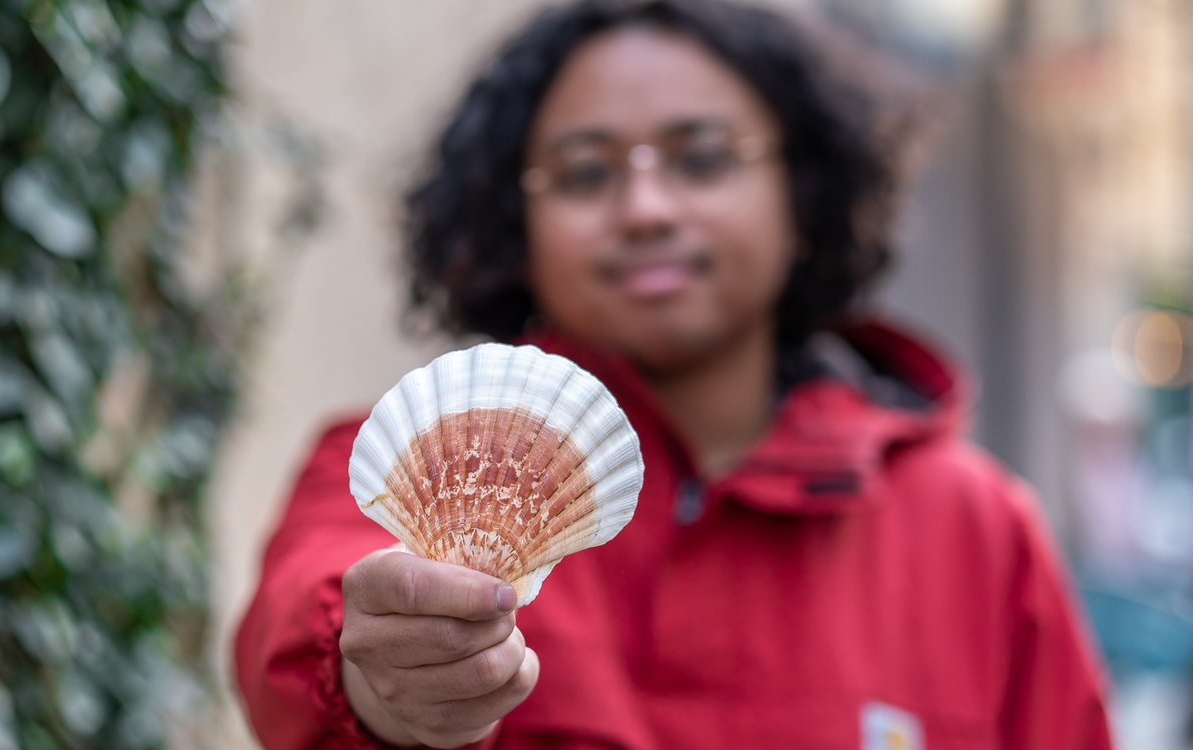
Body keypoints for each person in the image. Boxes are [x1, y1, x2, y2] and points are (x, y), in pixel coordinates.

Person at [234, 1, 1114, 748]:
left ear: (801, 198)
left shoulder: (979, 531)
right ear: (515, 226)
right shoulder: (385, 466)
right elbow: (306, 615)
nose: (646, 209)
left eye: (702, 158)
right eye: (585, 173)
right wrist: (379, 676)